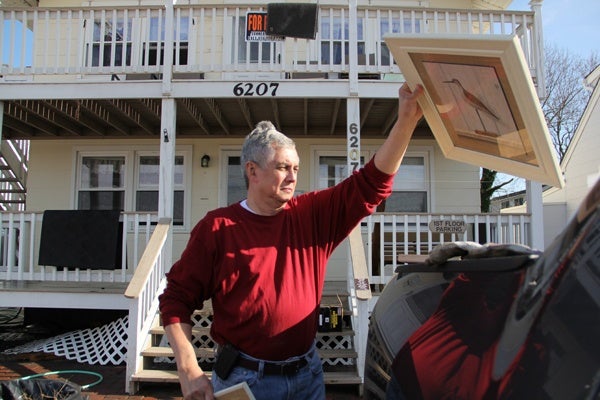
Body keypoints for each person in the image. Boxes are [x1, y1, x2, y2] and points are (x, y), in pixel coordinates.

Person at [158, 83, 424, 400]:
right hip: (245, 381)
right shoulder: (218, 228)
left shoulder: (312, 215)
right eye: (283, 167)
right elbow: (175, 300)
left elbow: (371, 185)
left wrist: (406, 119)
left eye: (296, 168)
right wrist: (188, 368)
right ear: (252, 171)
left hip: (308, 375)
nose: (292, 176)